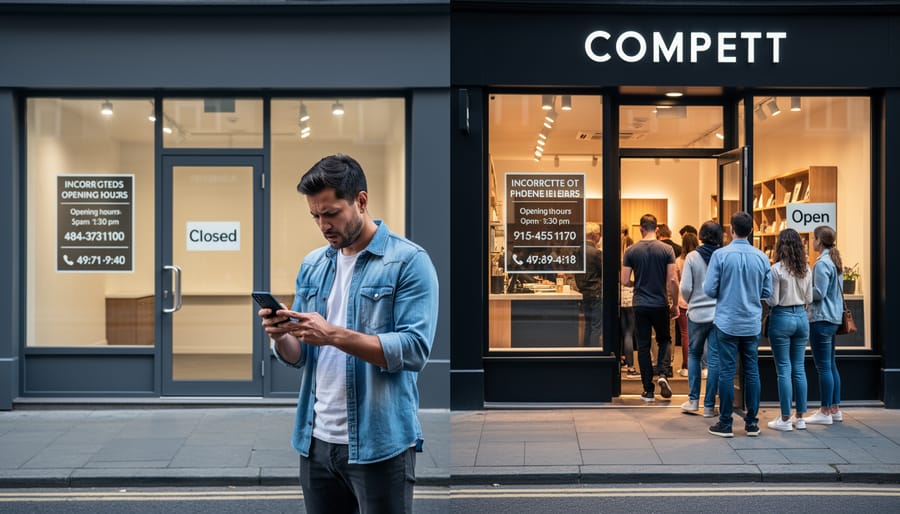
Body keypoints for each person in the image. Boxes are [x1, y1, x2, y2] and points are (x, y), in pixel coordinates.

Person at [258, 154, 439, 514]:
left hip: (380, 443)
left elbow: (415, 350)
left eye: (331, 213)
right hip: (316, 441)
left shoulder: (408, 261)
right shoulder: (313, 265)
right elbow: (301, 356)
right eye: (315, 215)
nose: (323, 225)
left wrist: (334, 335)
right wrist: (280, 336)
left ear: (361, 201)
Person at [704, 211, 772, 438]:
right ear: (751, 230)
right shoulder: (762, 257)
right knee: (752, 371)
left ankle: (725, 423)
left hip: (727, 321)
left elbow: (709, 289)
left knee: (726, 371)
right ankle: (752, 423)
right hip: (751, 322)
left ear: (731, 229)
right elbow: (767, 292)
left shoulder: (721, 256)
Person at [621, 213, 679, 402]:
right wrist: (675, 304)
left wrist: (635, 285)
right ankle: (662, 373)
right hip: (660, 302)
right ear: (657, 228)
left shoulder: (631, 250)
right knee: (664, 340)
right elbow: (672, 280)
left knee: (644, 346)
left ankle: (648, 390)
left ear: (641, 229)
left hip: (640, 304)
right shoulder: (667, 249)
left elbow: (624, 280)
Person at [766, 228, 813, 432]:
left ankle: (785, 418)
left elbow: (773, 300)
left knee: (783, 369)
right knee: (799, 369)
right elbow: (810, 299)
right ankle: (800, 417)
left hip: (782, 317)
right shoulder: (807, 269)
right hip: (802, 318)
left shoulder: (776, 270)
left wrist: (764, 296)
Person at [679, 221, 722, 417]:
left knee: (694, 355)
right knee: (714, 360)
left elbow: (686, 287)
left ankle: (693, 400)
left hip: (696, 313)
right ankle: (709, 406)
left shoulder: (692, 257)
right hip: (717, 314)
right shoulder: (722, 255)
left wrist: (691, 301)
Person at [805, 225, 845, 425]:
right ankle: (835, 408)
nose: (812, 242)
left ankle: (825, 411)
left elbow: (819, 293)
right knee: (831, 364)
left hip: (821, 318)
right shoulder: (835, 261)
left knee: (823, 367)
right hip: (834, 318)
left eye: (813, 239)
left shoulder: (822, 264)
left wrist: (804, 291)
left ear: (819, 241)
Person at [675, 233, 699, 377]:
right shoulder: (701, 259)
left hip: (683, 301)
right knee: (700, 335)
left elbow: (676, 281)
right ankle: (702, 366)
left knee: (685, 334)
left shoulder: (679, 261)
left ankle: (686, 366)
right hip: (698, 301)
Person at [575, 222, 603, 347]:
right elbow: (604, 273)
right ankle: (595, 356)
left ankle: (586, 353)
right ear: (595, 236)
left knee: (587, 325)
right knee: (596, 327)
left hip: (583, 292)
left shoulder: (577, 251)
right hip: (596, 292)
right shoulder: (596, 253)